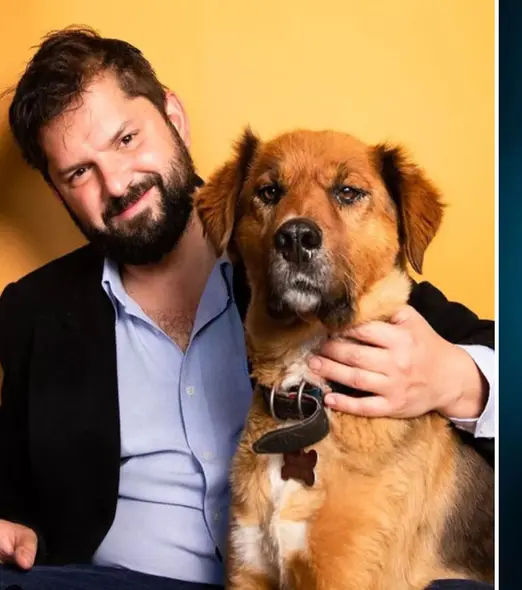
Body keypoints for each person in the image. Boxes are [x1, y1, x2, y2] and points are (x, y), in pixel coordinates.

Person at [0, 26, 495, 590]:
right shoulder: (32, 313)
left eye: (126, 139)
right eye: (79, 172)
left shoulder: (315, 257)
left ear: (173, 117)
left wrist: (459, 381)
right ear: (59, 190)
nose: (116, 182)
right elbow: (12, 485)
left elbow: (499, 362)